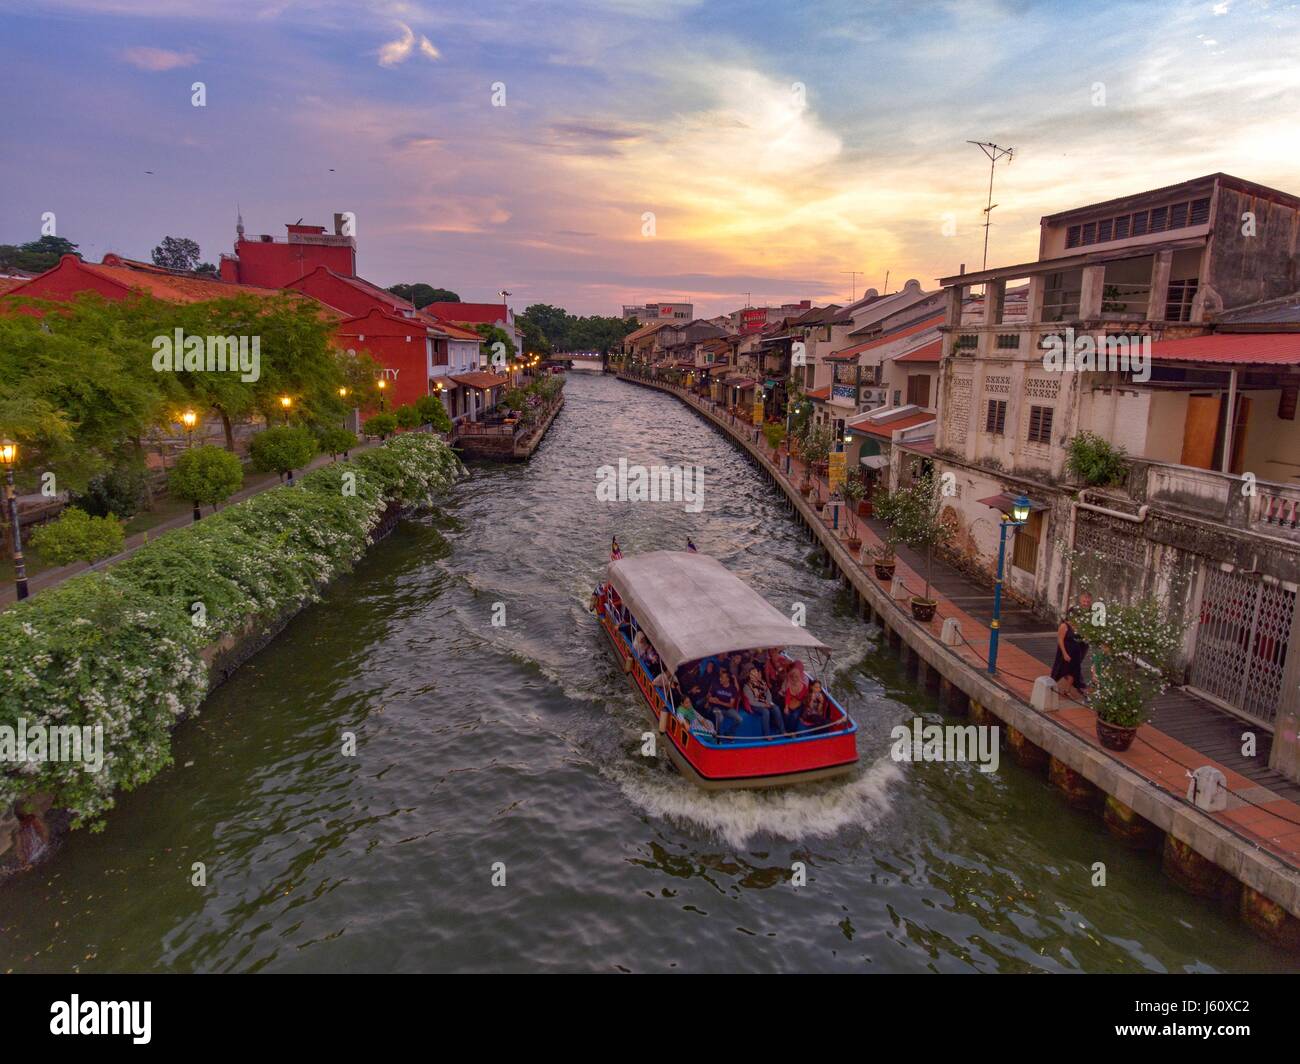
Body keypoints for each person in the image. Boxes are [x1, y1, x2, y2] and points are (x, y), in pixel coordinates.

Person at [1052, 592, 1092, 702]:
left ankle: (1069, 688)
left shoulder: (1091, 613)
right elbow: (1060, 639)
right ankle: (1050, 685)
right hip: (1067, 647)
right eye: (1084, 600)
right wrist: (1064, 653)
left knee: (1075, 668)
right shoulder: (1066, 624)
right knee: (1060, 668)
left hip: (1079, 647)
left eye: (1088, 601)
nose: (1086, 603)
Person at [743, 665, 785, 737]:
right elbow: (751, 701)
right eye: (753, 673)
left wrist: (768, 702)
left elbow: (768, 693)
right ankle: (767, 734)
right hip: (756, 705)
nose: (755, 674)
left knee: (776, 708)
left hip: (766, 702)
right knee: (766, 712)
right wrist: (764, 705)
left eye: (756, 672)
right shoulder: (746, 687)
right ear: (749, 675)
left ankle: (782, 731)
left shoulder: (762, 682)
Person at [706, 667, 743, 735]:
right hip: (716, 707)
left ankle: (729, 733)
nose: (720, 679)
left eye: (722, 677)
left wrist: (719, 701)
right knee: (721, 718)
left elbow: (731, 705)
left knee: (740, 719)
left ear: (727, 679)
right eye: (720, 677)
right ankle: (717, 734)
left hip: (727, 709)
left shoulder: (732, 689)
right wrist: (710, 698)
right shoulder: (716, 685)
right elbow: (708, 696)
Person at [781, 660, 811, 733]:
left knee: (794, 716)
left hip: (800, 704)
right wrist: (786, 707)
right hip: (792, 703)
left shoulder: (803, 686)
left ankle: (792, 732)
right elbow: (787, 696)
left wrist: (796, 698)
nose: (795, 679)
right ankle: (787, 730)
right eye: (793, 677)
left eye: (796, 677)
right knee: (786, 714)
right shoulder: (790, 685)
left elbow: (804, 698)